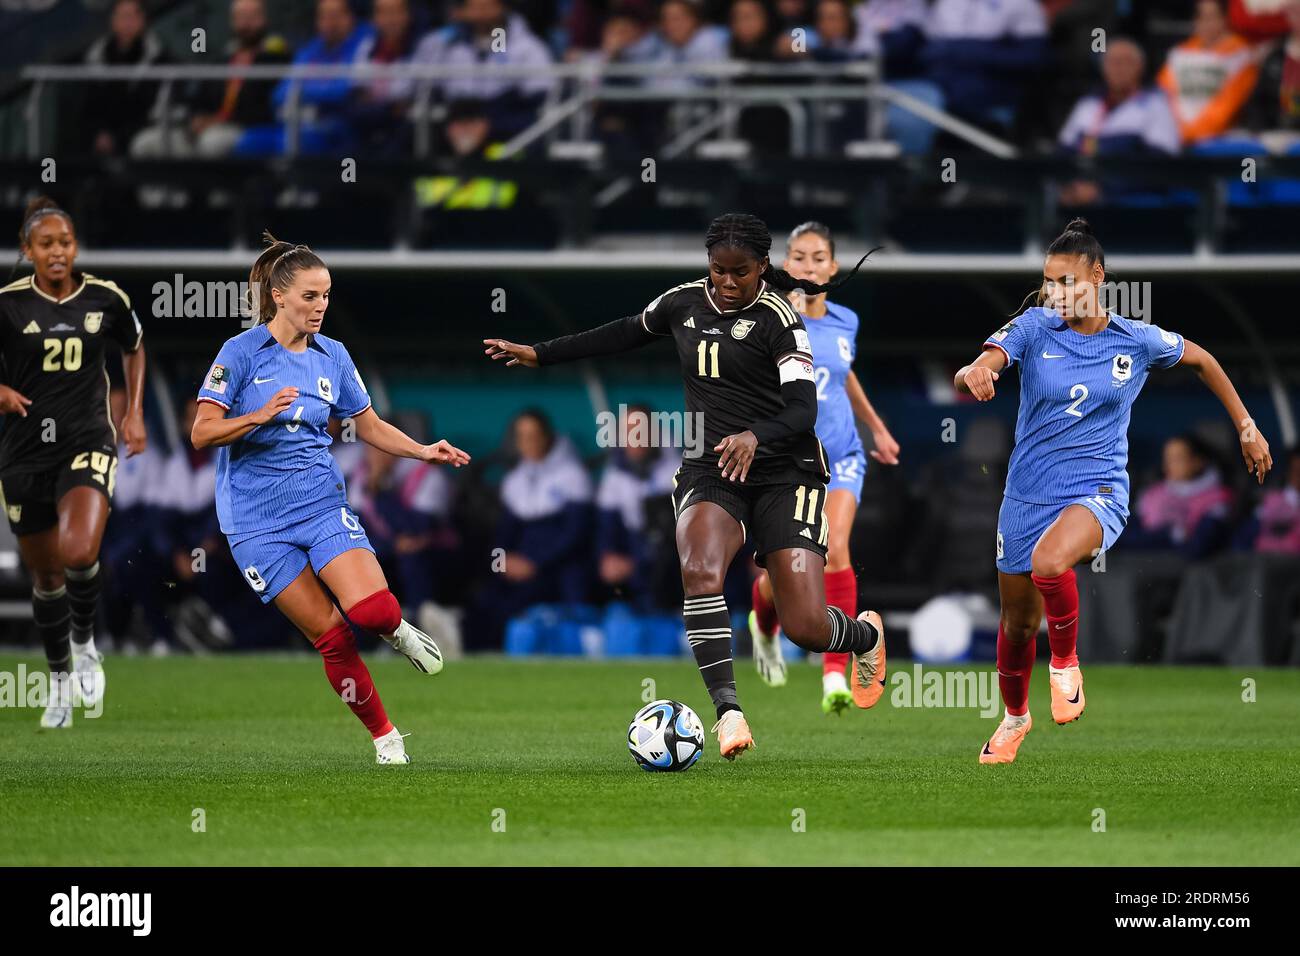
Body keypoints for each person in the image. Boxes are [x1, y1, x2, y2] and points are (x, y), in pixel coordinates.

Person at [484, 213, 887, 760]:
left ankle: (864, 636)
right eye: (717, 270)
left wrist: (755, 435)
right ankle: (729, 713)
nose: (725, 282)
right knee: (698, 571)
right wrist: (541, 352)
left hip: (785, 471)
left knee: (807, 627)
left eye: (739, 272)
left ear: (762, 268)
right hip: (710, 466)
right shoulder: (683, 303)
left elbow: (801, 410)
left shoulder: (781, 320)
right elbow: (623, 332)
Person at [953, 218, 1272, 764]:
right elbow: (985, 362)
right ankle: (1013, 719)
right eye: (1049, 282)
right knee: (1017, 623)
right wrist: (974, 371)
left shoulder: (1136, 339)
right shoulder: (1034, 326)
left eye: (1068, 281)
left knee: (1051, 563)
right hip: (1027, 495)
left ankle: (1066, 665)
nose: (1057, 293)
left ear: (1097, 277)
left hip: (1098, 489)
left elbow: (1203, 360)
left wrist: (1246, 425)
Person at [192, 234, 470, 764]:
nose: (320, 307)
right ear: (277, 296)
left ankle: (396, 629)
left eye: (326, 296)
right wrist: (256, 415)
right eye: (309, 297)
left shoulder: (333, 356)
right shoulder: (240, 353)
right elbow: (202, 433)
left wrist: (421, 451)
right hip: (254, 525)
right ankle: (386, 738)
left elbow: (365, 424)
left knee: (372, 610)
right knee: (333, 638)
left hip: (319, 504)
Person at [0, 197, 147, 727]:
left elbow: (133, 345)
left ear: (75, 246)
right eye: (46, 244)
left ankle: (86, 642)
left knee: (79, 550)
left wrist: (133, 414)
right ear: (28, 250)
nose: (58, 251)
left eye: (65, 242)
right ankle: (60, 682)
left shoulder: (105, 298)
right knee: (45, 575)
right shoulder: (9, 304)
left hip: (86, 440)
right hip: (23, 455)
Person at [748, 222, 900, 714]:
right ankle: (764, 627)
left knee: (835, 549)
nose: (808, 266)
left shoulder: (846, 321)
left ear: (832, 267)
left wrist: (876, 427)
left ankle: (835, 671)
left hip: (843, 456)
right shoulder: (767, 320)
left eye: (817, 258)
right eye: (798, 257)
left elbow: (843, 373)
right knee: (782, 574)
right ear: (784, 265)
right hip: (789, 464)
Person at [130, 0, 290, 158]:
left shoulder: (277, 60)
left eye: (252, 16)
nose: (246, 24)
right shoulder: (223, 60)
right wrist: (195, 119)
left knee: (212, 142)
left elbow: (267, 109)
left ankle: (213, 183)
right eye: (240, 17)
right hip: (206, 128)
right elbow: (199, 98)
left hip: (244, 128)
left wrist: (218, 121)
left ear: (264, 19)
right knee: (145, 143)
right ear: (232, 21)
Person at [1057, 38, 1181, 205]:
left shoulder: (1155, 104)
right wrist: (1070, 186)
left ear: (1140, 67)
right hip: (1079, 195)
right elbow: (1063, 152)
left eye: (1125, 62)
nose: (1118, 69)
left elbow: (1159, 165)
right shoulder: (1088, 103)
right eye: (1112, 62)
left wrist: (1104, 188)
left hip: (1126, 200)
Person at [1158, 0, 1259, 146]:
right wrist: (1172, 132)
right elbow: (1163, 96)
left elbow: (1228, 105)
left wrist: (1190, 134)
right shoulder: (1179, 54)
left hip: (1216, 140)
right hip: (1175, 138)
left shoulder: (1241, 55)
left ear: (1225, 19)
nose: (1207, 24)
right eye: (1202, 17)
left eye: (1213, 17)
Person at [81, 0, 171, 156]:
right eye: (122, 17)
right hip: (99, 138)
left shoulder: (159, 58)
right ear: (113, 21)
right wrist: (99, 133)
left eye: (132, 17)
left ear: (143, 20)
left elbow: (151, 109)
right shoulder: (95, 57)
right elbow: (88, 107)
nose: (127, 23)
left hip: (139, 135)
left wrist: (119, 138)